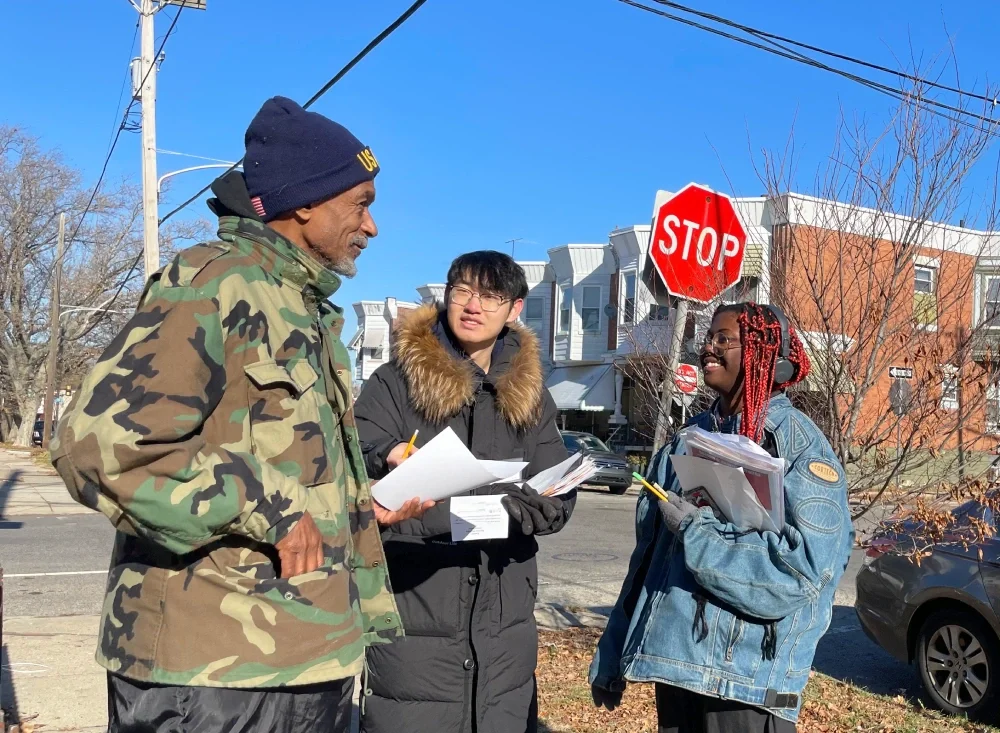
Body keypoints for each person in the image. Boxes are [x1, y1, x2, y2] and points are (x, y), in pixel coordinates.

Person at [50, 96, 431, 732]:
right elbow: (100, 447)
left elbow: (284, 458)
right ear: (305, 202)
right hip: (213, 677)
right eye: (361, 203)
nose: (372, 227)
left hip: (307, 659)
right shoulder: (212, 282)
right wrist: (272, 502)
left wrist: (364, 507)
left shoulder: (302, 308)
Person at [589, 302, 854, 733]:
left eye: (724, 340)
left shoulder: (799, 445)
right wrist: (614, 650)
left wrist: (698, 533)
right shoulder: (689, 437)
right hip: (675, 670)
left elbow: (803, 572)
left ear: (762, 354)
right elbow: (649, 559)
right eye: (707, 337)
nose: (708, 347)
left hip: (747, 686)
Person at [353, 251, 575, 733]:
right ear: (447, 296)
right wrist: (388, 453)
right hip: (415, 612)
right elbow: (353, 448)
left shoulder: (532, 394)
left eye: (491, 296)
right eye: (463, 291)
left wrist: (537, 506)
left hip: (504, 624)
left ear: (514, 309)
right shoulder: (395, 382)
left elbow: (557, 491)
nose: (474, 305)